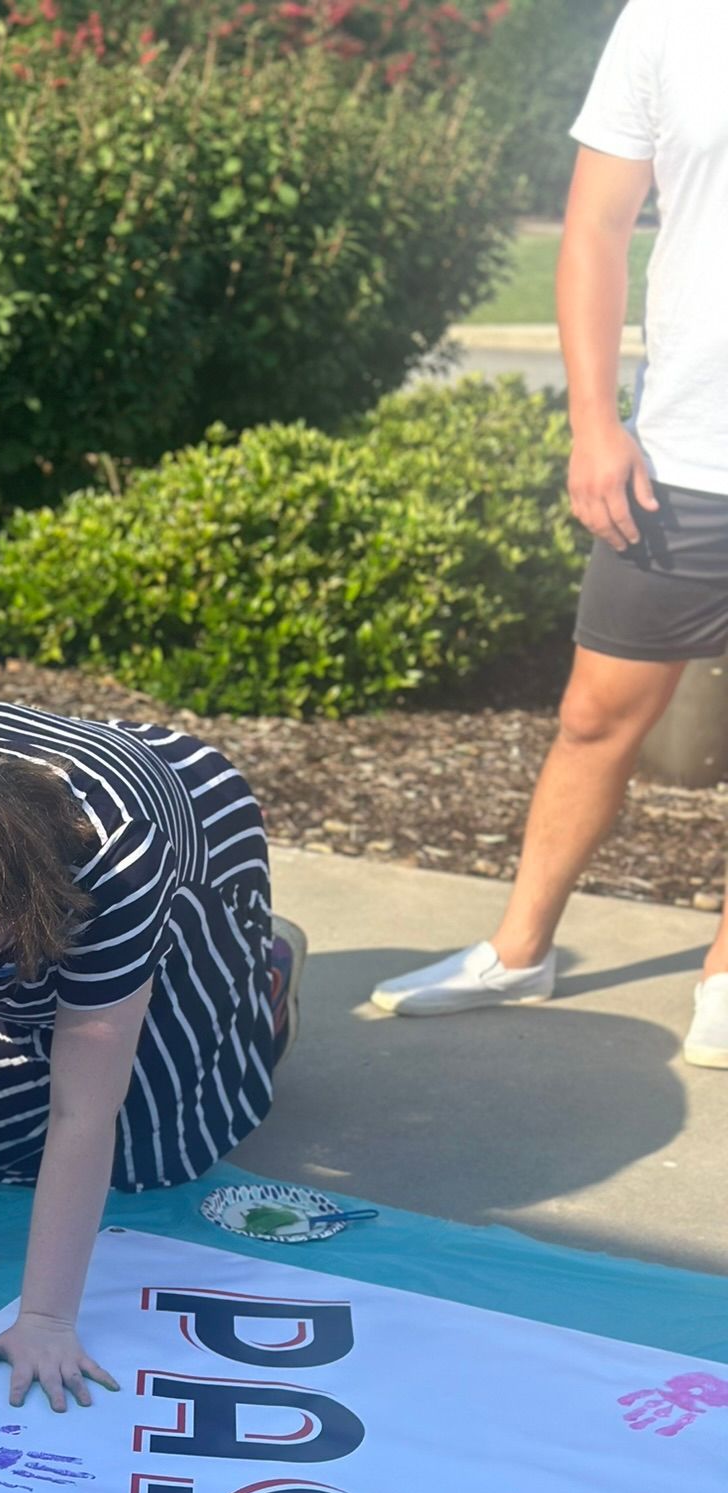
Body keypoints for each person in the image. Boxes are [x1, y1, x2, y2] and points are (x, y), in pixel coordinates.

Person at [372, 0, 728, 1060]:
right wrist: (592, 419)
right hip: (687, 453)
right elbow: (597, 225)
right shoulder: (671, 18)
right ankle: (520, 949)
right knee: (593, 715)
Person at [0, 701, 304, 1414]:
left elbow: (86, 1110)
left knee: (159, 1148)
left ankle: (265, 975)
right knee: (0, 1146)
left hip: (177, 829)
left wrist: (47, 1319)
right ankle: (2, 970)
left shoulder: (120, 853)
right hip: (8, 850)